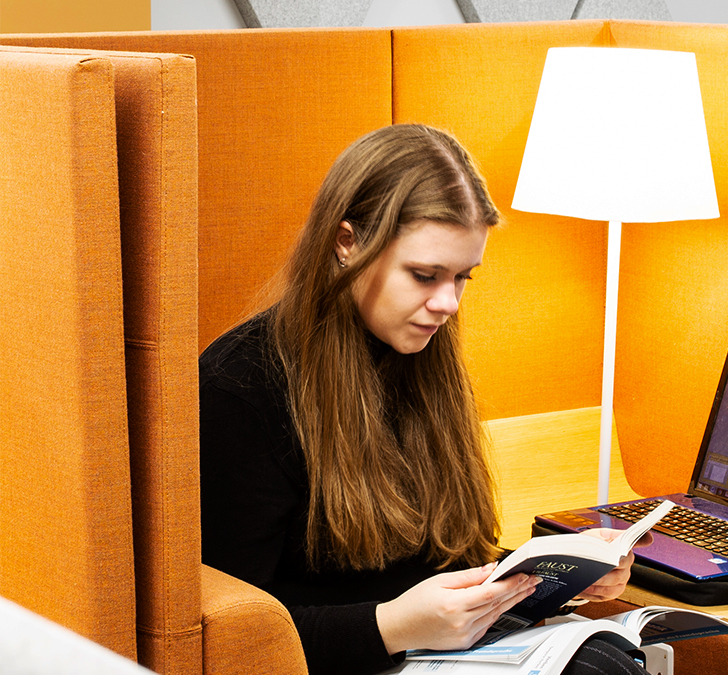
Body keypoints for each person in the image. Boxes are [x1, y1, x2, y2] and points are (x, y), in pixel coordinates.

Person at [199, 124, 647, 675]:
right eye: (425, 275)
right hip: (346, 660)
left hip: (438, 653)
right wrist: (391, 626)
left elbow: (442, 564)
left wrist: (555, 573)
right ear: (347, 243)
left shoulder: (422, 358)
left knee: (614, 659)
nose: (448, 303)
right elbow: (230, 637)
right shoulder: (241, 388)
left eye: (462, 277)